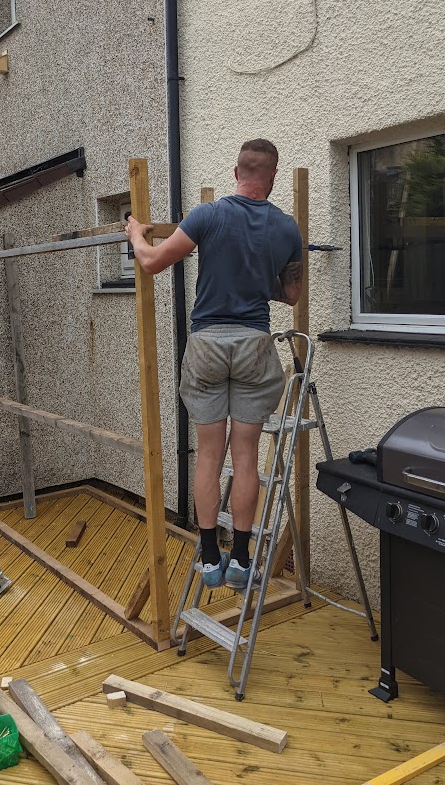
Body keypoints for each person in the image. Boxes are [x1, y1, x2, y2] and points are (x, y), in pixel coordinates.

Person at [125, 139, 302, 590]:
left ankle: (209, 557)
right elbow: (291, 294)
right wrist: (261, 279)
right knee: (245, 457)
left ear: (237, 171)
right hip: (255, 346)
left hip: (207, 344)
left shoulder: (208, 215)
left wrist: (135, 234)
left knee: (209, 453)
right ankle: (241, 559)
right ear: (273, 177)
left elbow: (151, 263)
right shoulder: (287, 228)